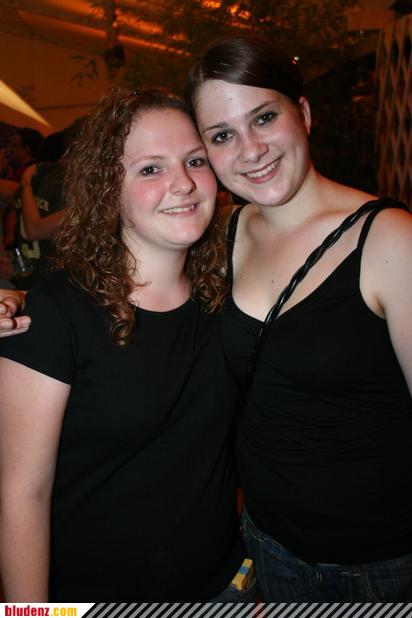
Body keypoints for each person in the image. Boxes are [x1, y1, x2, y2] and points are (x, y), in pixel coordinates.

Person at [184, 36, 412, 602]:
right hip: (268, 545)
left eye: (264, 117)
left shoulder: (389, 240)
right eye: (222, 135)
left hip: (380, 566)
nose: (251, 149)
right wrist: (21, 305)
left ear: (303, 114)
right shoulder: (224, 234)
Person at [0, 89, 252, 602]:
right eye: (150, 168)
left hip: (223, 589)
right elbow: (23, 495)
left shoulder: (228, 296)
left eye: (195, 161)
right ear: (108, 189)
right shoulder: (56, 313)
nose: (183, 183)